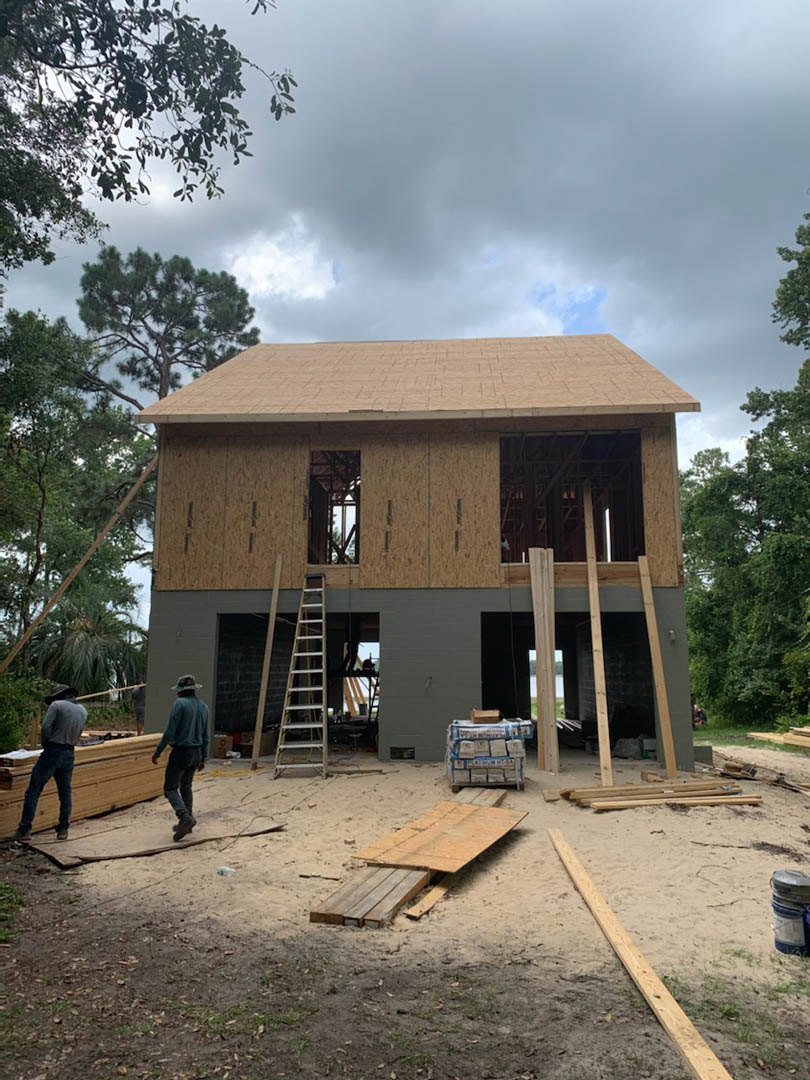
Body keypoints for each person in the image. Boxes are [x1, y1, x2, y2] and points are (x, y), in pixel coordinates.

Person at [13, 684, 87, 842]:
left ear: (58, 696)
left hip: (53, 751)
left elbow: (46, 727)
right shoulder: (82, 710)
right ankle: (63, 829)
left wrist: (46, 744)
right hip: (69, 753)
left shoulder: (56, 705)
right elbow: (79, 732)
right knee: (65, 792)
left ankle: (25, 830)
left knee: (33, 790)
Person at [152, 674, 209, 841]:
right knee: (186, 786)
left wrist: (158, 751)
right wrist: (203, 757)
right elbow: (206, 735)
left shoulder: (180, 704)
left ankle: (184, 817)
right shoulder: (203, 707)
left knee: (170, 788)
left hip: (181, 751)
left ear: (181, 691)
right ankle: (188, 821)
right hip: (196, 752)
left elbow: (170, 731)